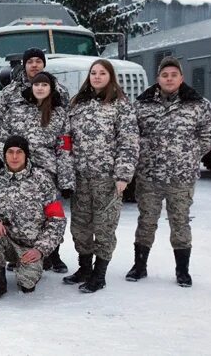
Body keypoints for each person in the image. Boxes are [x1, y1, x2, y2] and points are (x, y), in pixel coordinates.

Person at [125, 56, 211, 287]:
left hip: (181, 176)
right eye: (165, 75)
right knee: (146, 221)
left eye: (173, 75)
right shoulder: (142, 104)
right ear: (158, 79)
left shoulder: (199, 104)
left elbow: (210, 134)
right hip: (149, 174)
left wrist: (189, 153)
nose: (169, 79)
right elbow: (131, 134)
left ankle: (182, 271)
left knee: (180, 222)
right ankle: (139, 266)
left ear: (181, 78)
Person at [63, 59, 139, 293]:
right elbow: (66, 139)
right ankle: (84, 268)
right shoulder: (77, 104)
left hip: (107, 178)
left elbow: (129, 141)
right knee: (80, 227)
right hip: (81, 177)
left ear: (110, 76)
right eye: (93, 73)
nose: (97, 76)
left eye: (102, 73)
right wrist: (68, 173)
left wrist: (123, 175)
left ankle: (99, 274)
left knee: (104, 227)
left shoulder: (120, 105)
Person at [0, 71, 74, 273]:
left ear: (51, 88)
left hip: (48, 172)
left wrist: (67, 181)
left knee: (50, 215)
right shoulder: (17, 111)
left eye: (44, 85)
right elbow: (3, 136)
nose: (40, 88)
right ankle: (18, 254)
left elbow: (64, 146)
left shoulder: (59, 114)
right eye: (36, 84)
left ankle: (53, 253)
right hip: (19, 169)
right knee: (20, 212)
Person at [0, 136, 66, 301]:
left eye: (19, 152)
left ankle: (36, 265)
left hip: (31, 247)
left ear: (26, 155)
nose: (14, 156)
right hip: (7, 242)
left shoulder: (43, 180)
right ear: (4, 155)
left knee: (26, 284)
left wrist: (40, 249)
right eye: (10, 152)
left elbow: (57, 220)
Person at [0, 47, 70, 112]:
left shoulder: (59, 91)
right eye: (30, 62)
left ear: (44, 65)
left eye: (38, 61)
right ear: (24, 66)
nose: (34, 65)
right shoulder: (9, 92)